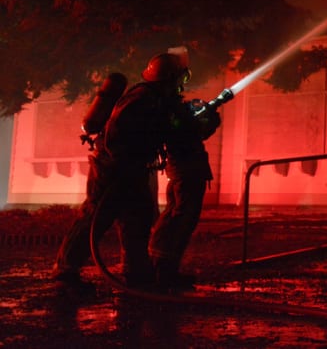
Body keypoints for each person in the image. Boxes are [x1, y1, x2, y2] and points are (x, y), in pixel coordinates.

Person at [53, 53, 190, 287]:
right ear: (168, 79)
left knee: (137, 220)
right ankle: (65, 270)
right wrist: (125, 166)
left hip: (133, 171)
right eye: (179, 79)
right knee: (95, 218)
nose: (181, 85)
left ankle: (136, 272)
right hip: (112, 171)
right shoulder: (141, 99)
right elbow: (116, 136)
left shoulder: (156, 100)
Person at [149, 69, 224, 289]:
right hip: (186, 172)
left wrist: (208, 111)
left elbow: (196, 129)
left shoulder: (172, 109)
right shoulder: (172, 112)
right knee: (180, 220)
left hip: (185, 172)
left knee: (178, 219)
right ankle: (163, 270)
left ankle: (164, 267)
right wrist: (206, 112)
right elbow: (188, 130)